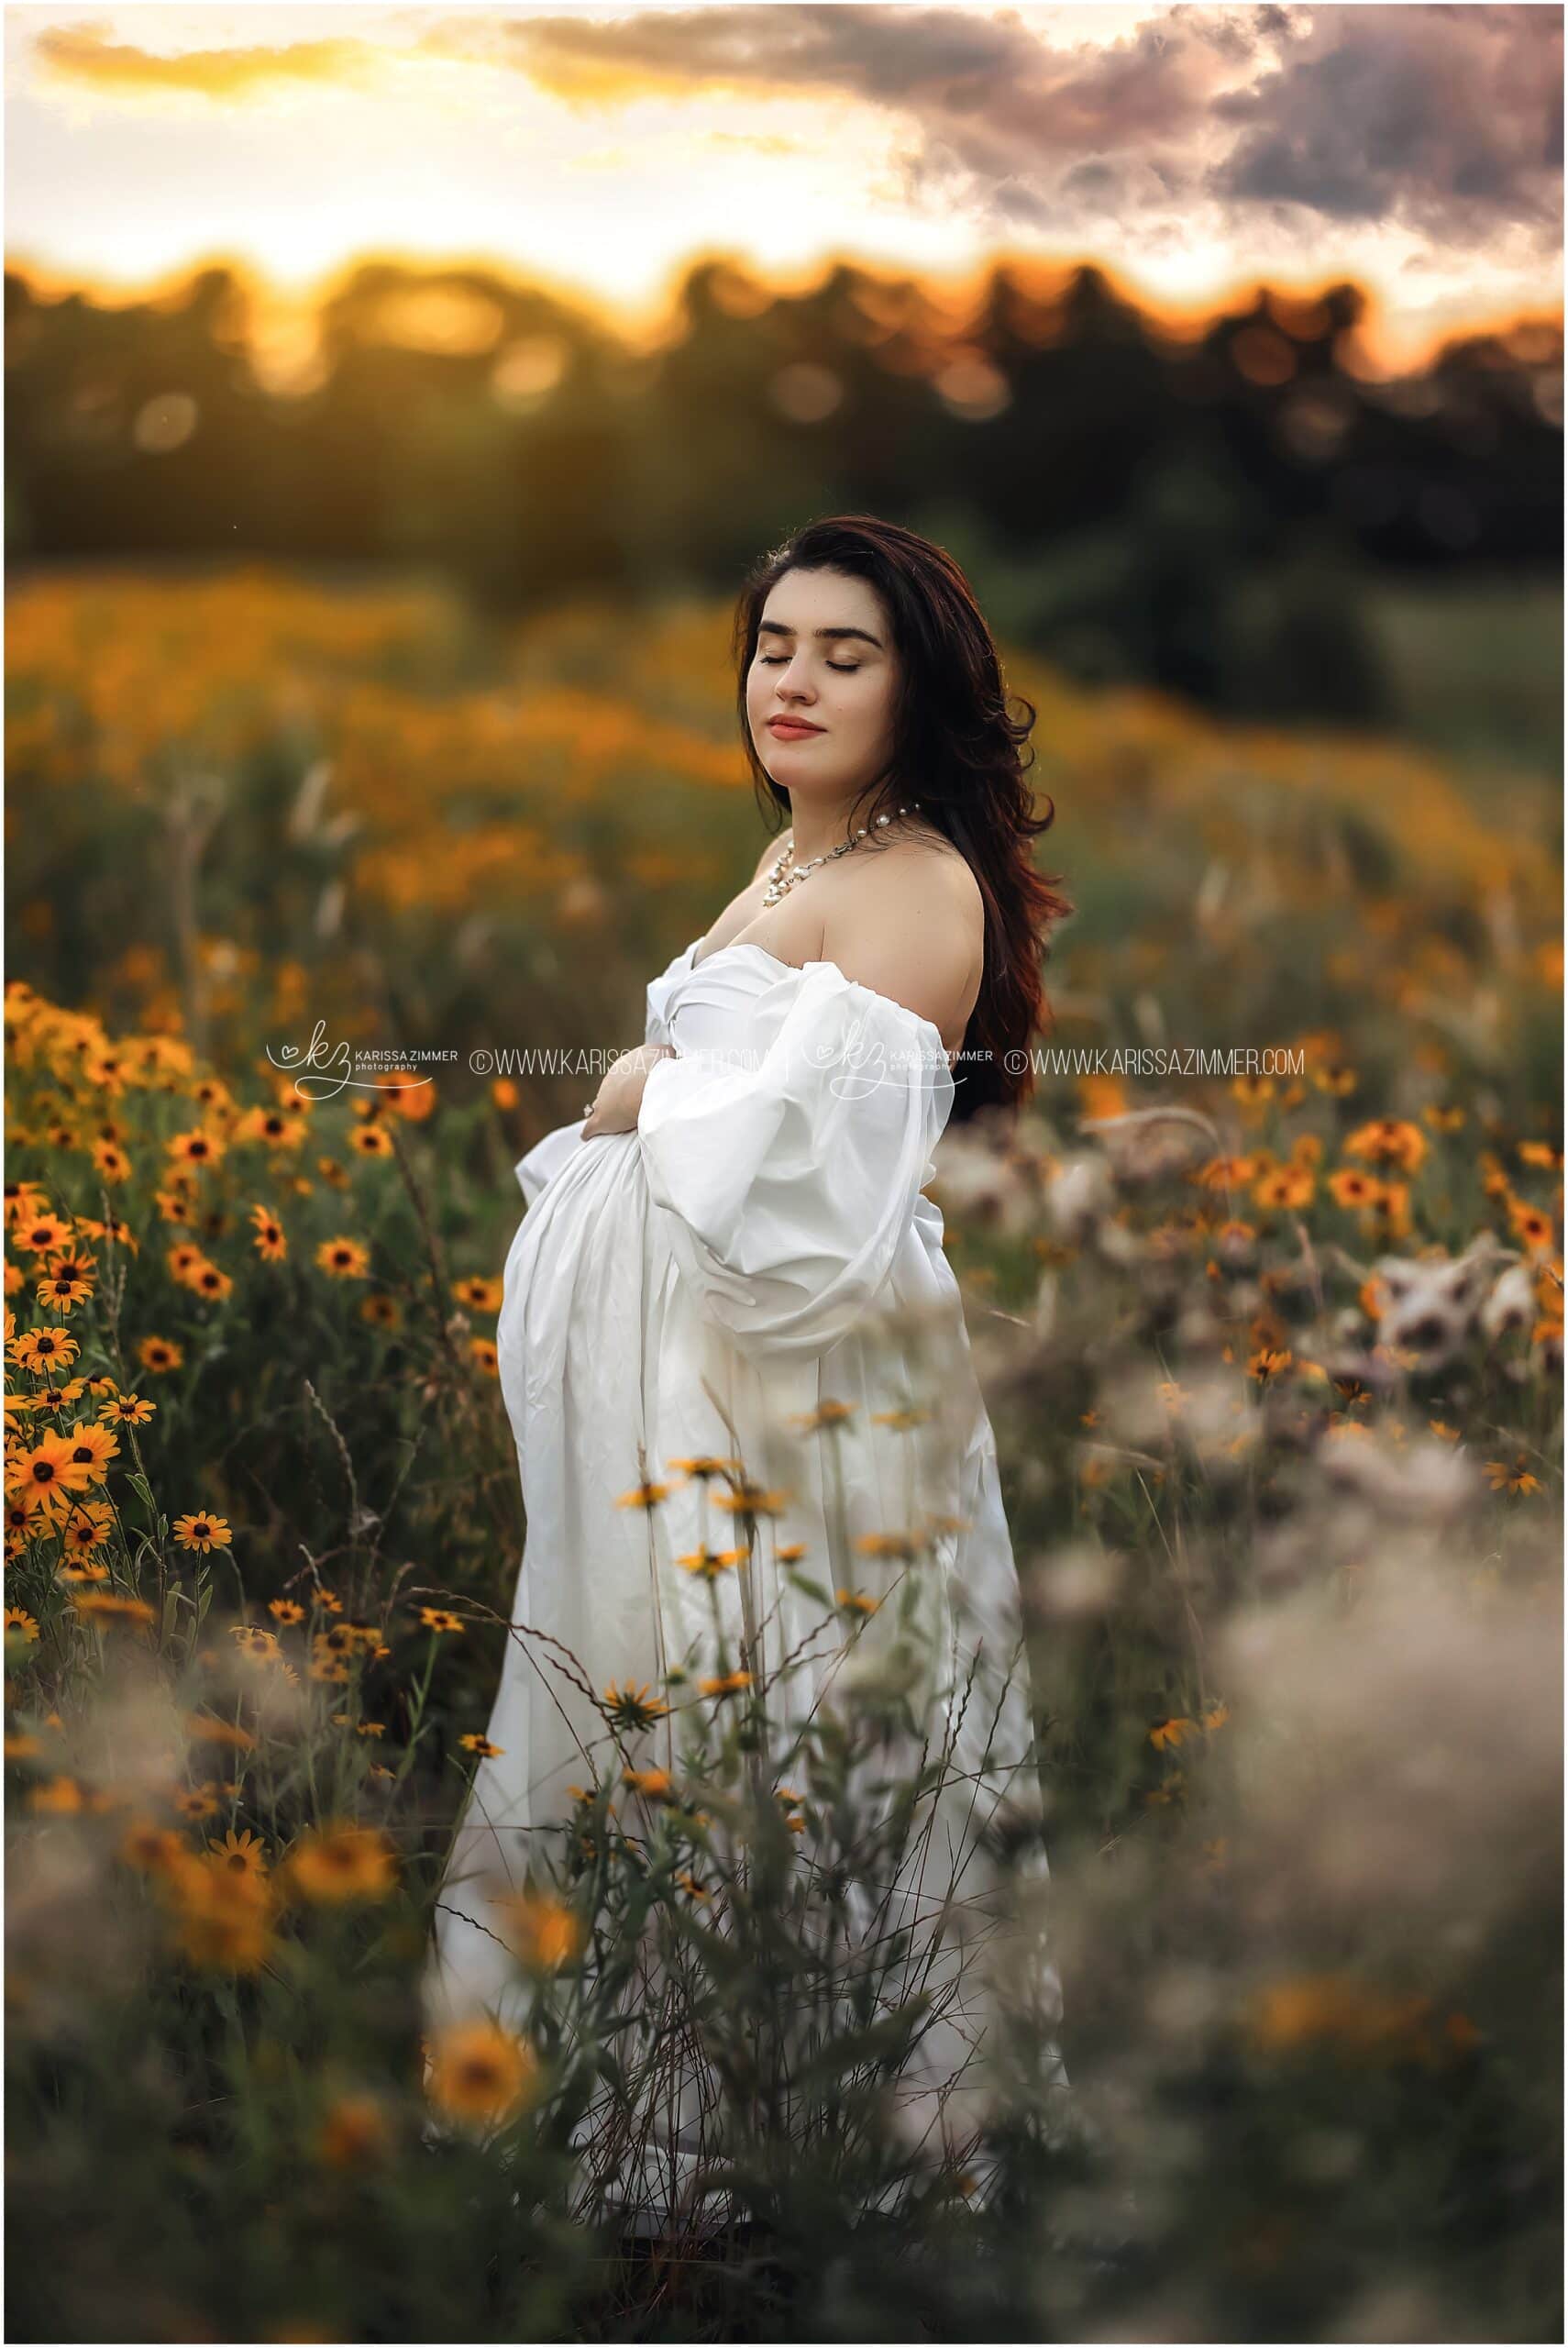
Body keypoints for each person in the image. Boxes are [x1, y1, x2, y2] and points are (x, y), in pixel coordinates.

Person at [423, 515, 1075, 2233]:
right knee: (666, 1711)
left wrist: (639, 1087)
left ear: (919, 688)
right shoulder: (796, 856)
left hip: (797, 1389)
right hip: (689, 1384)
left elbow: (820, 1181)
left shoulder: (917, 880)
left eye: (843, 656)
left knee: (780, 1707)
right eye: (773, 647)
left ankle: (812, 2147)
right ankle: (661, 2099)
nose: (791, 680)